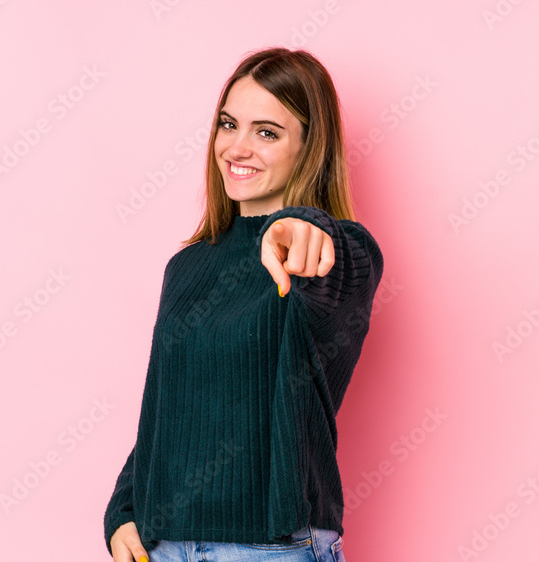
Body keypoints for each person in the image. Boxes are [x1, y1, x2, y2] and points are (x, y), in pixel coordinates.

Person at [103, 47, 384, 562]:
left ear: (310, 148)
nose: (237, 147)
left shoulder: (328, 254)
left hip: (268, 547)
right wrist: (125, 508)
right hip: (164, 546)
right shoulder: (187, 265)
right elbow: (168, 407)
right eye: (229, 124)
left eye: (267, 133)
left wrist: (305, 225)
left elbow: (341, 261)